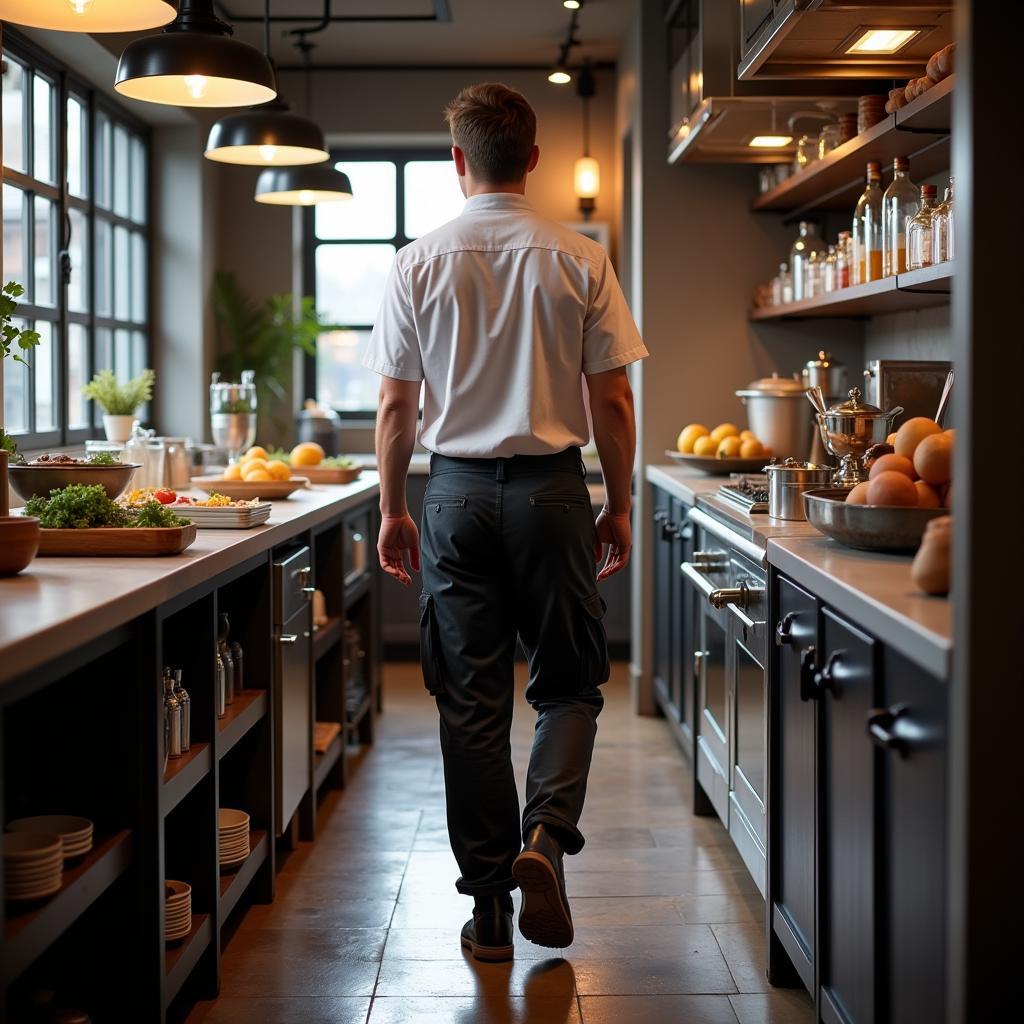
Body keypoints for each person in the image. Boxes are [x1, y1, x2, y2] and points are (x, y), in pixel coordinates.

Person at [363, 82, 647, 962]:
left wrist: (393, 509)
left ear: (457, 162)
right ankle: (545, 842)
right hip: (553, 494)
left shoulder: (416, 261)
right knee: (567, 685)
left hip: (449, 496)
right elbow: (616, 401)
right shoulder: (579, 257)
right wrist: (621, 502)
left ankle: (489, 910)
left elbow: (394, 410)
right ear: (533, 159)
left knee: (469, 701)